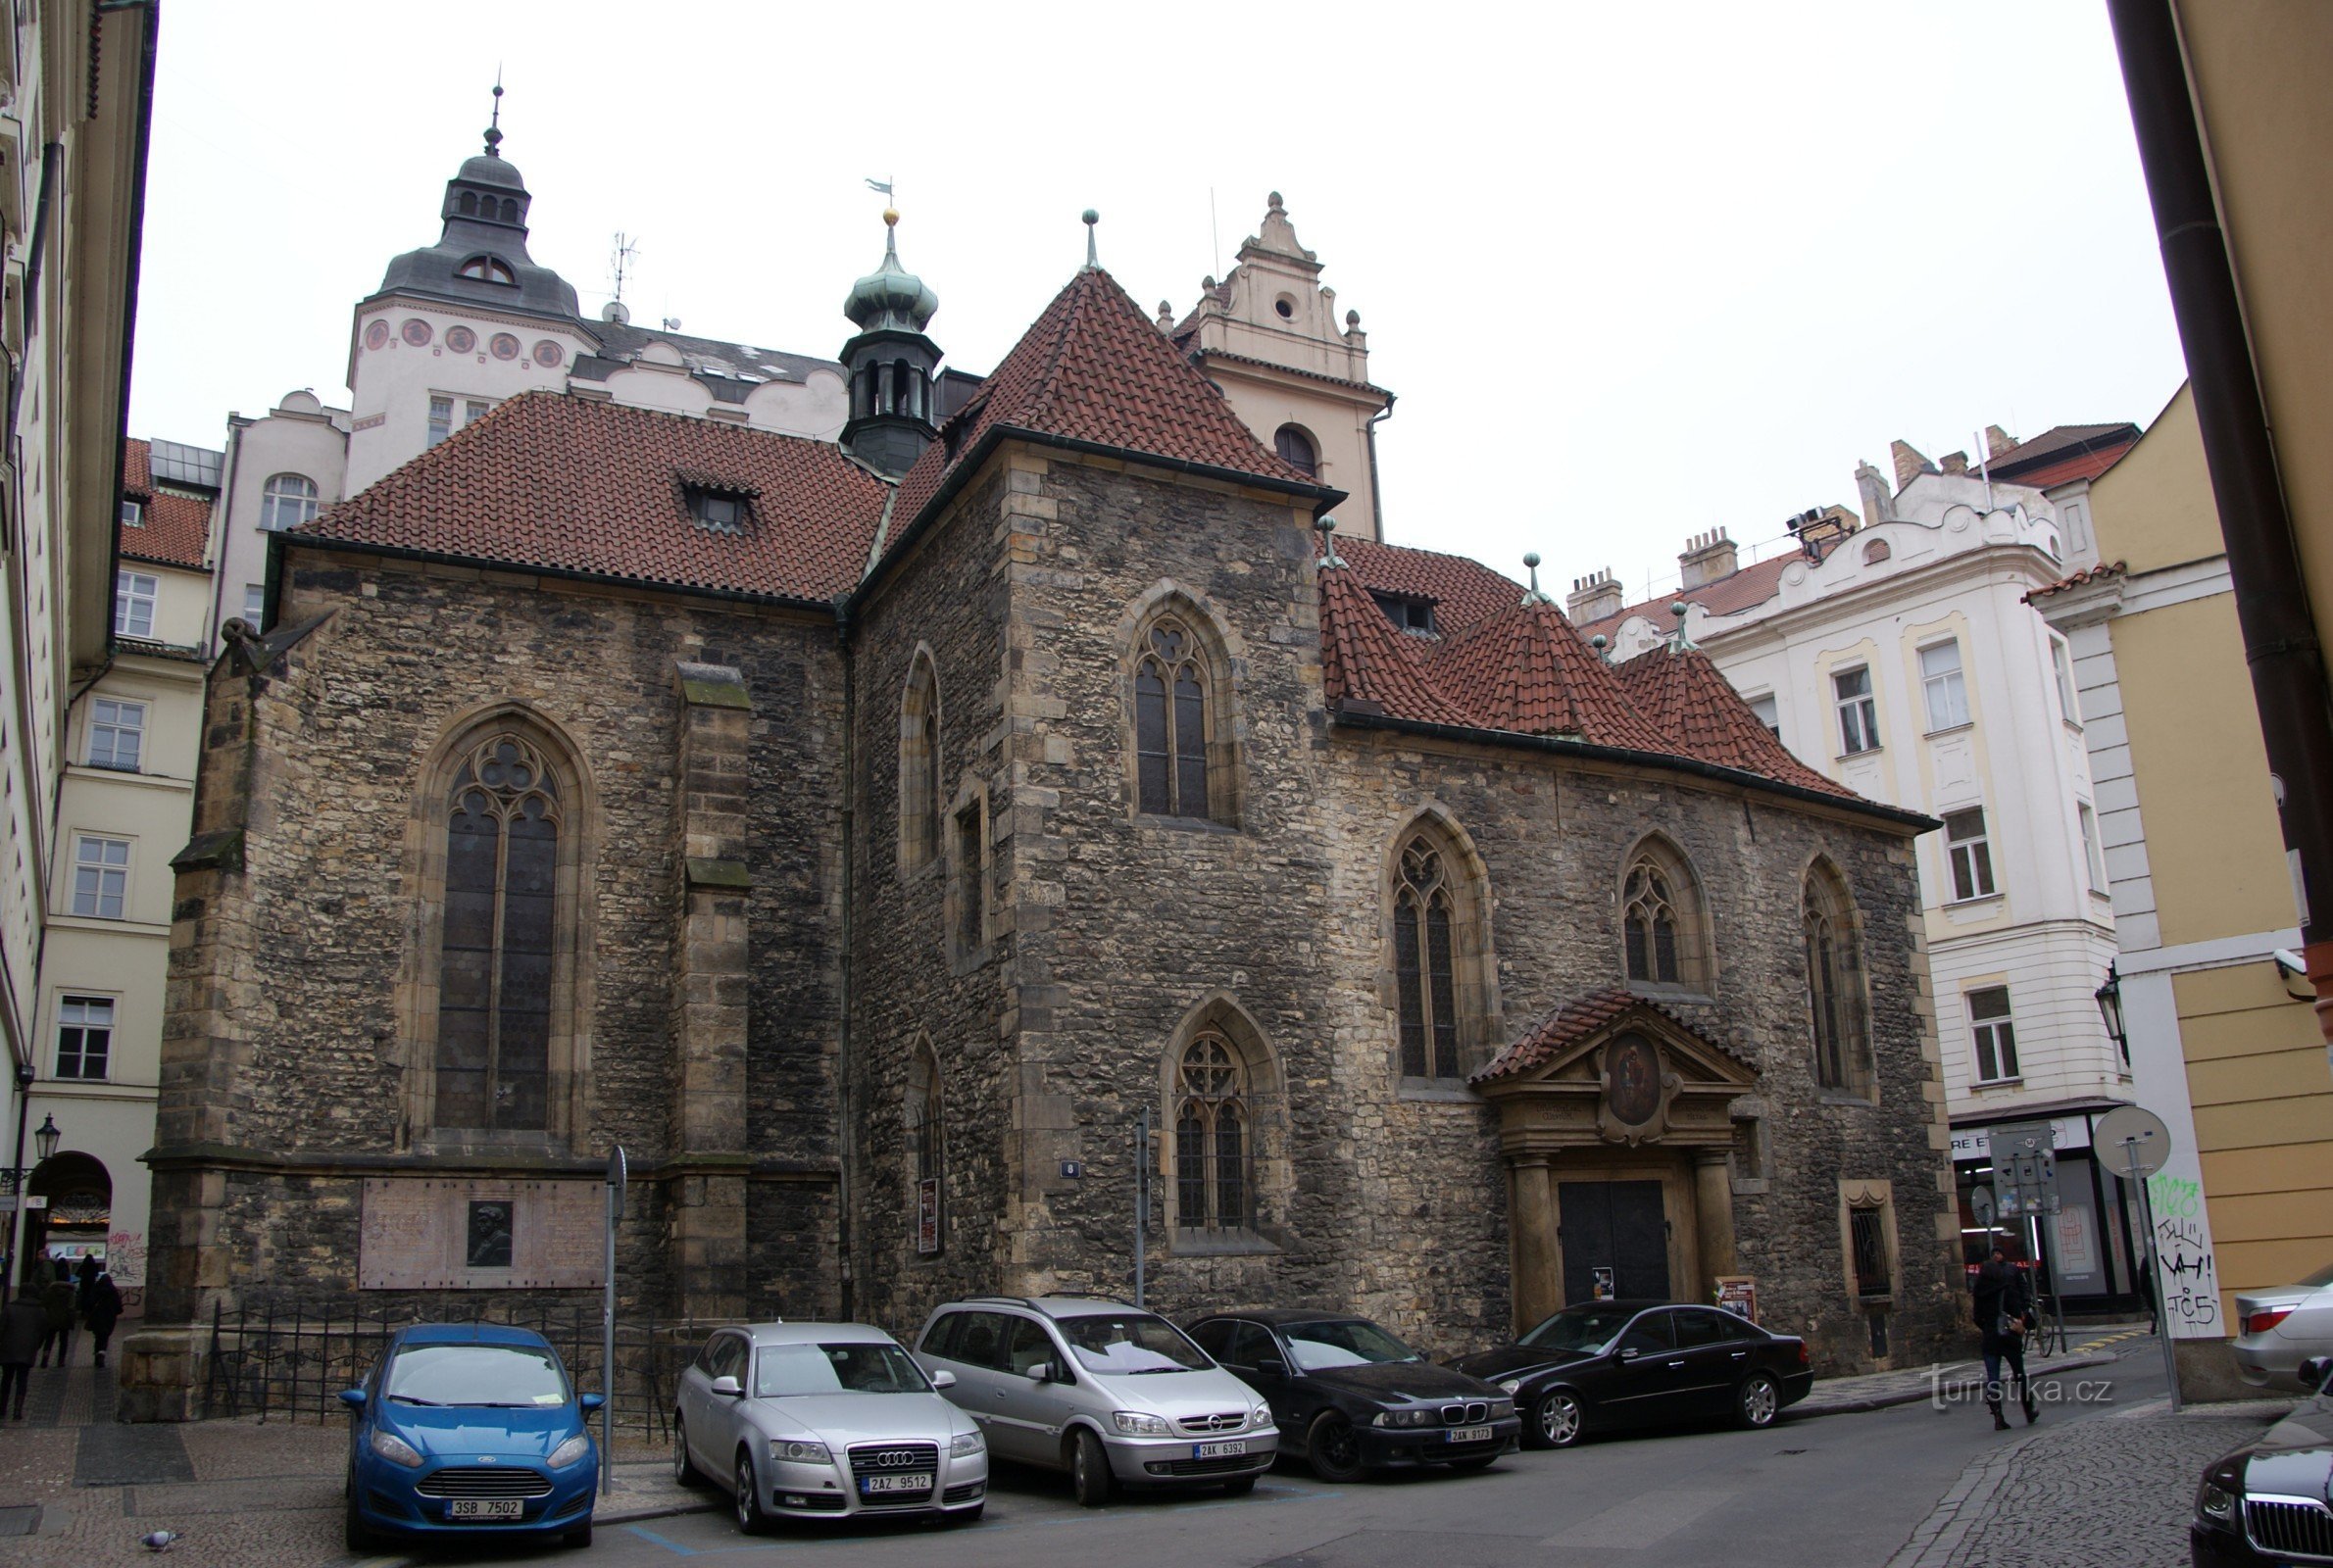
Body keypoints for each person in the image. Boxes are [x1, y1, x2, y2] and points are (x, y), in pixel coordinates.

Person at [1971, 1245, 2037, 1430]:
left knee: (1993, 1378)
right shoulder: (2006, 1289)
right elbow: (2016, 1312)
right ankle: (2028, 1409)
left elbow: (1977, 1318)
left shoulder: (1979, 1293)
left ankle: (1998, 1417)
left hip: (1990, 1338)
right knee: (2019, 1374)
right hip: (2008, 1338)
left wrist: (1988, 1328)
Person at [0, 1292, 40, 1418]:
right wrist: (35, 1345)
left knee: (6, 1379)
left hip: (8, 1350)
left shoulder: (9, 1308)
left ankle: (2, 1408)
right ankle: (17, 1410)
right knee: (22, 1381)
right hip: (26, 1351)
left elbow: (1, 1328)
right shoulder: (40, 1310)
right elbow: (42, 1331)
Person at [81, 1271, 123, 1369]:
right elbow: (119, 1308)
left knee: (98, 1336)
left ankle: (97, 1354)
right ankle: (101, 1354)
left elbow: (90, 1303)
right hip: (109, 1318)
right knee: (105, 1336)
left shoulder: (96, 1289)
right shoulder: (113, 1291)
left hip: (97, 1317)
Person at [35, 1262, 74, 1368]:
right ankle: (61, 1361)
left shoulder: (51, 1290)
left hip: (51, 1319)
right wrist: (71, 1320)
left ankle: (45, 1359)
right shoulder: (70, 1292)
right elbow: (71, 1307)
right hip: (64, 1320)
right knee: (64, 1341)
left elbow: (45, 1303)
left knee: (49, 1340)